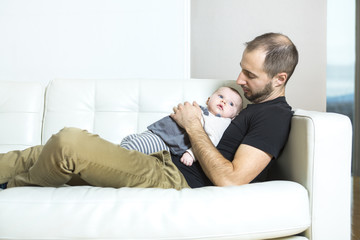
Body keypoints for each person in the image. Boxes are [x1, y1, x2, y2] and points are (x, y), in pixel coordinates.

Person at [0, 32, 297, 190]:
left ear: (279, 79)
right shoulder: (246, 105)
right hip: (159, 158)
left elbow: (230, 180)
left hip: (173, 177)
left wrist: (193, 125)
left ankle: (13, 188)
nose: (240, 79)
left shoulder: (274, 116)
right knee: (38, 153)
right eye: (241, 69)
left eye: (250, 74)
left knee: (69, 143)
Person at [120, 86, 243, 166]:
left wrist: (191, 154)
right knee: (127, 143)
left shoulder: (220, 122)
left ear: (234, 117)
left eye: (231, 104)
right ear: (208, 100)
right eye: (221, 96)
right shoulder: (200, 108)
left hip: (165, 142)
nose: (224, 101)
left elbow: (211, 141)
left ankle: (111, 158)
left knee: (128, 152)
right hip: (156, 131)